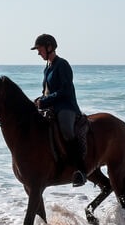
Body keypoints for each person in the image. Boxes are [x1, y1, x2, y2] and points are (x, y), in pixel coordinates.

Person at [31, 33, 87, 187]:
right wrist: (37, 101)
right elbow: (47, 92)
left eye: (40, 49)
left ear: (49, 47)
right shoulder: (47, 67)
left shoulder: (62, 64)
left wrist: (46, 100)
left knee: (66, 131)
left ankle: (80, 170)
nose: (38, 53)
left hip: (66, 106)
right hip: (51, 105)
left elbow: (65, 90)